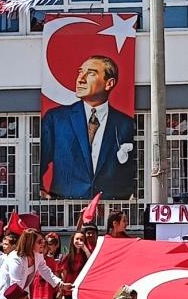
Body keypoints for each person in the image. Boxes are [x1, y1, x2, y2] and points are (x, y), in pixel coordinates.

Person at [39, 55, 137, 199]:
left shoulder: (126, 124)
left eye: (91, 73)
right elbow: (38, 158)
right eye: (80, 72)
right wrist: (40, 189)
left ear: (109, 83)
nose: (80, 79)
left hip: (110, 210)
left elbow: (137, 165)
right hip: (66, 209)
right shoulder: (56, 119)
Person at [0, 229, 70, 299]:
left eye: (43, 240)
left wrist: (61, 284)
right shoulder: (16, 259)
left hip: (20, 297)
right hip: (7, 296)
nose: (43, 243)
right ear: (30, 243)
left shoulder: (38, 255)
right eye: (39, 241)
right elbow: (15, 284)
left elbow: (45, 271)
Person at [60, 230, 92, 299]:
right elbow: (64, 273)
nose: (79, 241)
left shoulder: (85, 255)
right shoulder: (68, 257)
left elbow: (91, 261)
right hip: (70, 288)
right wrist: (62, 288)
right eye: (77, 239)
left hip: (82, 289)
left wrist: (84, 248)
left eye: (81, 239)